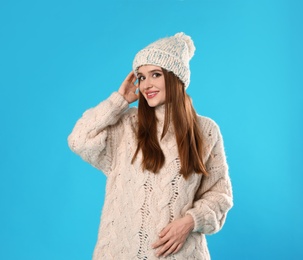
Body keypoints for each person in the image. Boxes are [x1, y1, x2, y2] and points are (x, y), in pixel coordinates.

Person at [68, 32, 233, 259]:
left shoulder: (205, 130)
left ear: (176, 78)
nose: (146, 84)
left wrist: (190, 221)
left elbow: (219, 195)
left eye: (155, 74)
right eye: (142, 77)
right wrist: (119, 100)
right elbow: (79, 140)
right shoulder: (127, 125)